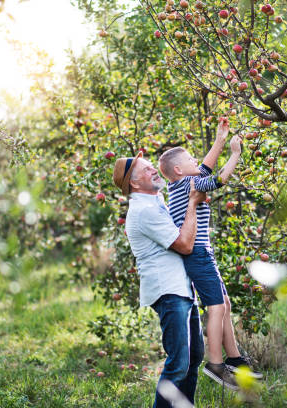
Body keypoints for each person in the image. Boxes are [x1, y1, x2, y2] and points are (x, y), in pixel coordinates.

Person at [158, 118, 262, 390]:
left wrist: (219, 139)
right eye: (191, 158)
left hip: (202, 254)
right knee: (216, 306)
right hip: (199, 255)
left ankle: (236, 359)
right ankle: (216, 364)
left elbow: (204, 168)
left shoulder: (181, 183)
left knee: (224, 303)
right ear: (179, 170)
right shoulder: (189, 185)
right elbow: (219, 178)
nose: (197, 161)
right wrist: (234, 154)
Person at [113, 152, 206, 408]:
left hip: (182, 289)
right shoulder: (143, 211)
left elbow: (196, 173)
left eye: (153, 166)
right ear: (133, 183)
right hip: (169, 292)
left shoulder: (156, 200)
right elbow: (185, 245)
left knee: (194, 356)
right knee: (178, 364)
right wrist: (192, 203)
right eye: (147, 169)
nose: (154, 171)